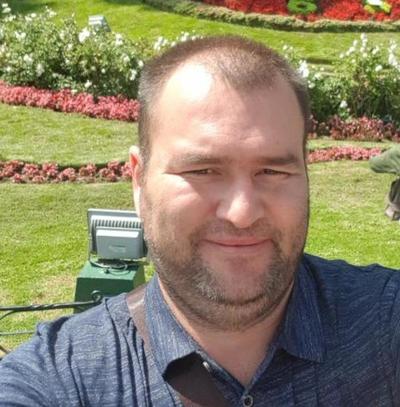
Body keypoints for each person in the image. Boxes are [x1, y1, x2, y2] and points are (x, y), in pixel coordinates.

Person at [1, 35, 400, 406]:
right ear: (139, 181)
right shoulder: (60, 380)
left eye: (273, 171)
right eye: (203, 170)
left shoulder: (385, 322)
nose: (242, 213)